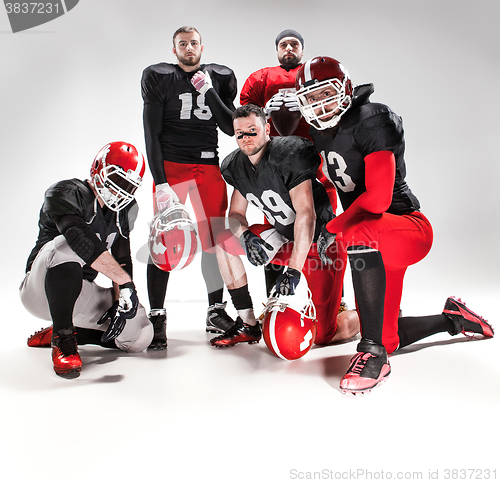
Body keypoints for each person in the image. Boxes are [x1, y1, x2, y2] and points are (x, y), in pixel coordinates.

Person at [295, 56, 494, 393]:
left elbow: (378, 199)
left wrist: (333, 228)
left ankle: (372, 355)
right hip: (370, 241)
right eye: (310, 98)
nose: (319, 104)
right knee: (390, 337)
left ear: (343, 89)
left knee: (359, 231)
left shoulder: (372, 118)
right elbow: (331, 182)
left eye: (325, 93)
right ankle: (454, 319)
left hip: (407, 228)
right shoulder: (319, 131)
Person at [210, 104, 359, 349]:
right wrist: (245, 235)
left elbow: (306, 214)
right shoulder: (236, 164)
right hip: (284, 238)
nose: (246, 138)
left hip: (319, 246)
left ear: (267, 128)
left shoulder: (289, 154)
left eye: (252, 130)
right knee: (224, 240)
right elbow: (235, 213)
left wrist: (293, 270)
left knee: (322, 335)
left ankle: (372, 316)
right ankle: (247, 323)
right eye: (240, 134)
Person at [21, 142, 154, 379]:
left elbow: (122, 259)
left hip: (81, 291)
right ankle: (63, 341)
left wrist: (120, 300)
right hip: (41, 288)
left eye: (127, 185)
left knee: (140, 336)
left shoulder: (123, 211)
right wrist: (126, 284)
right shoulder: (68, 192)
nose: (119, 189)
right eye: (116, 179)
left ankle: (73, 332)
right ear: (98, 168)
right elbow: (79, 240)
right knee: (66, 245)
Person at [141, 26, 237, 349]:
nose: (189, 48)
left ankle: (214, 310)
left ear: (202, 46)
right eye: (183, 44)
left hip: (208, 166)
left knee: (213, 238)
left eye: (193, 43)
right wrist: (160, 182)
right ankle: (156, 314)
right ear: (174, 50)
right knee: (164, 240)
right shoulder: (159, 78)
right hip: (173, 166)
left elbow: (229, 127)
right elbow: (151, 134)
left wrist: (210, 90)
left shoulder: (220, 77)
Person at [240, 29, 340, 297]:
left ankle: (334, 298)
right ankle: (275, 296)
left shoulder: (312, 74)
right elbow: (247, 117)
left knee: (326, 228)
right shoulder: (262, 77)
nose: (288, 48)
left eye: (294, 44)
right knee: (276, 230)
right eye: (283, 44)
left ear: (302, 50)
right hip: (275, 163)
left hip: (313, 157)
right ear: (276, 50)